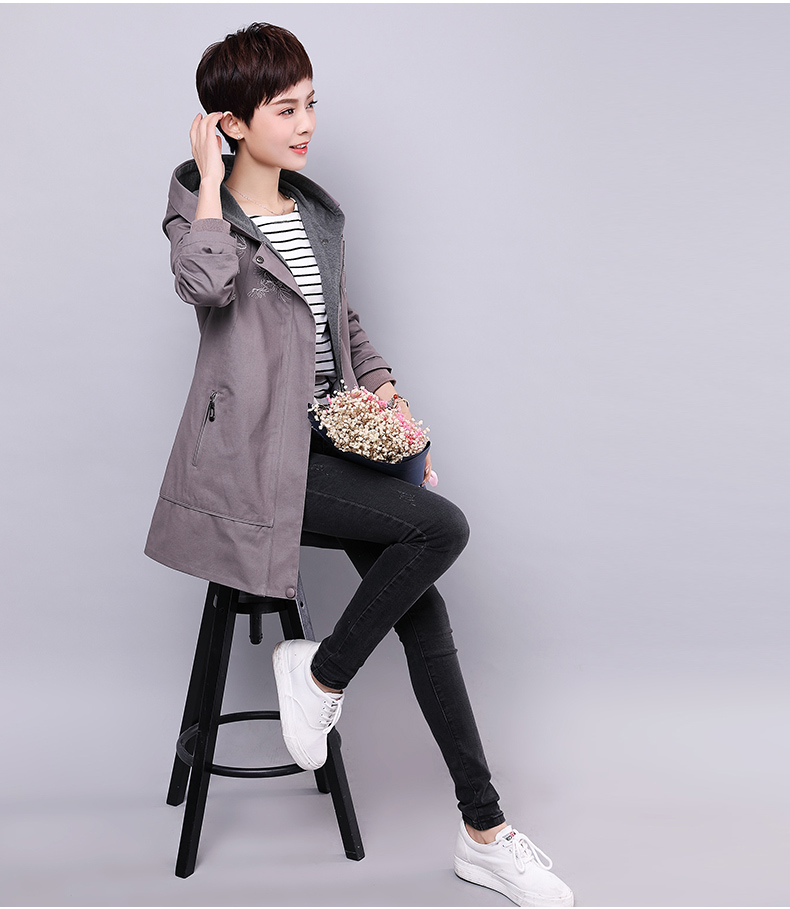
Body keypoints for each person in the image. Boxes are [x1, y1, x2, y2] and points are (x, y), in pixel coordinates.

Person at [145, 22, 573, 908]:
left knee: (425, 604)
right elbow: (207, 285)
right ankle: (322, 676)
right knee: (442, 530)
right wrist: (213, 183)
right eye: (284, 109)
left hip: (335, 445)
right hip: (254, 467)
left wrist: (395, 410)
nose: (306, 124)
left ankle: (484, 832)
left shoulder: (312, 215)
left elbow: (346, 329)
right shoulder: (200, 216)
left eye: (311, 103)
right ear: (230, 122)